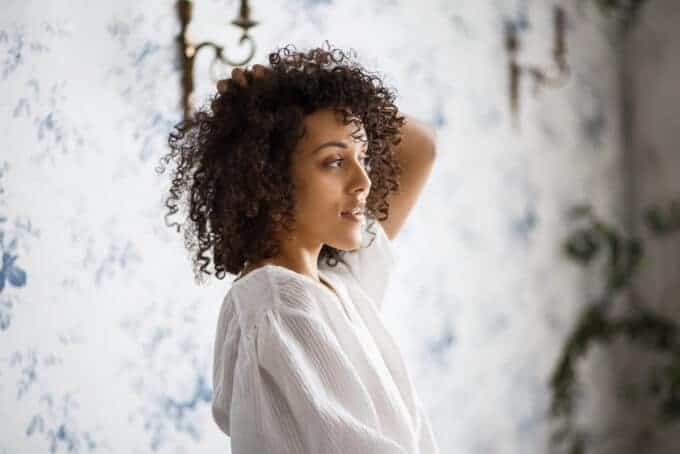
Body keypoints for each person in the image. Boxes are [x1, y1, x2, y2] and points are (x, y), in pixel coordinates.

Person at [159, 40, 439, 453]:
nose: (364, 181)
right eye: (334, 161)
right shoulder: (278, 307)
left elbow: (421, 148)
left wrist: (304, 86)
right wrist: (271, 107)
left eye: (363, 156)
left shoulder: (337, 283)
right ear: (269, 177)